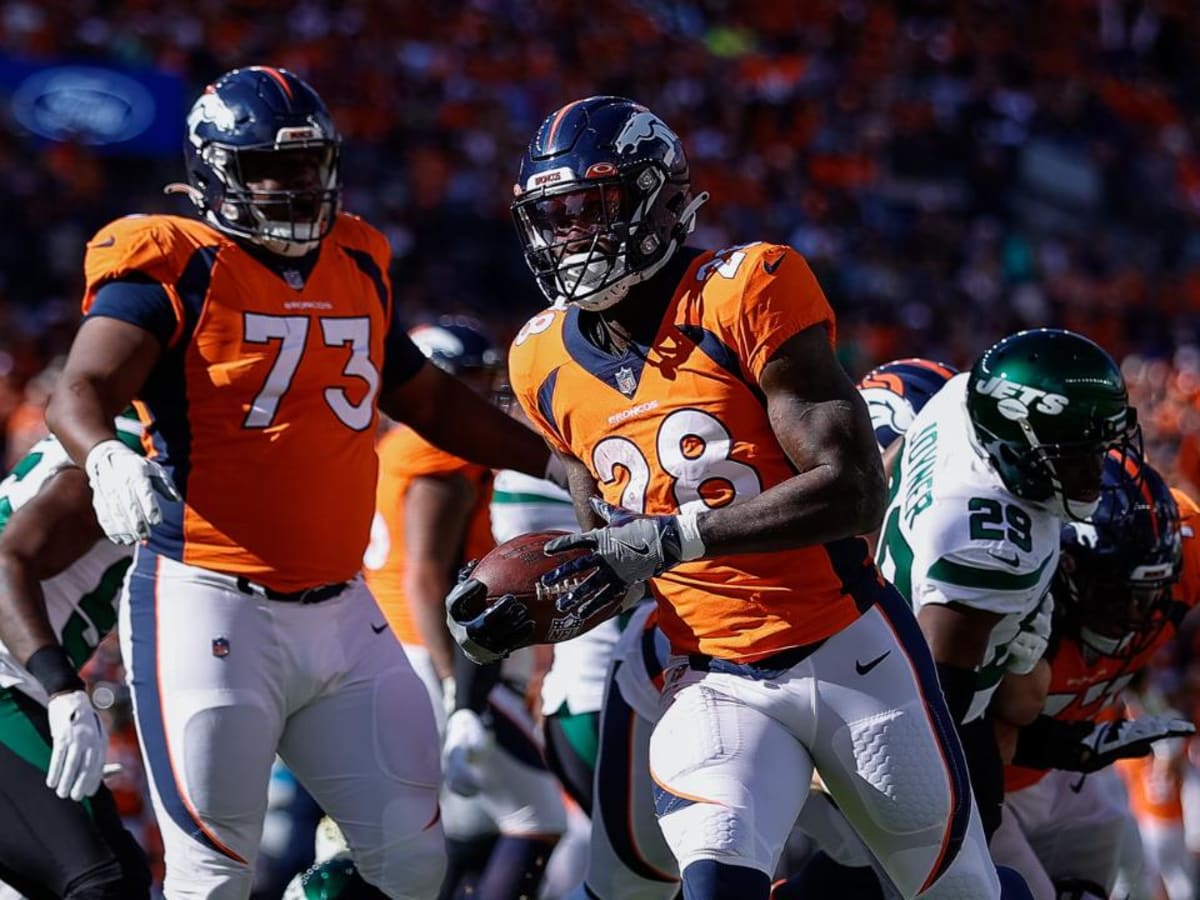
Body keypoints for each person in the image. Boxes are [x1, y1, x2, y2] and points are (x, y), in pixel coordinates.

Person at [448, 95, 1000, 899]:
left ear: (658, 197)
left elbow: (852, 489)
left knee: (959, 894)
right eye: (554, 216)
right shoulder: (538, 359)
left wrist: (674, 539)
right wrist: (526, 606)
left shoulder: (746, 288)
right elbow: (611, 546)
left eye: (590, 208)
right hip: (708, 673)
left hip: (850, 651)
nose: (570, 235)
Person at [43, 66, 551, 899]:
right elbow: (82, 388)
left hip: (345, 610)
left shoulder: (357, 254)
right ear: (214, 170)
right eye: (267, 169)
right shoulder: (173, 263)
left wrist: (555, 459)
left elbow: (427, 399)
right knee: (212, 875)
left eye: (307, 164)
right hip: (209, 600)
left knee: (416, 863)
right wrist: (104, 454)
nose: (292, 186)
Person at [876, 328, 1143, 846]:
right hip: (913, 706)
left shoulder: (960, 400)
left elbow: (880, 480)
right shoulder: (991, 549)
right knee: (965, 861)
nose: (1097, 470)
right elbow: (935, 706)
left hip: (892, 633)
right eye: (1078, 454)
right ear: (1019, 439)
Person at [364, 317, 566, 900]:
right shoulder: (437, 456)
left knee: (453, 828)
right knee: (537, 818)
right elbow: (425, 577)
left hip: (399, 646)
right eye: (469, 381)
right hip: (428, 652)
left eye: (485, 379)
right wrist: (459, 694)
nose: (481, 396)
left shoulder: (395, 444)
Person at [989, 454, 1199, 899]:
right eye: (1117, 595)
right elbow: (959, 735)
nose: (1134, 617)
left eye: (1148, 595)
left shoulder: (1182, 548)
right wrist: (1069, 745)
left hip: (1068, 779)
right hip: (980, 784)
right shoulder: (1007, 599)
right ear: (1067, 570)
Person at [0, 411, 151, 898]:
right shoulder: (126, 454)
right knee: (101, 880)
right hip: (11, 681)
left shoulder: (112, 432)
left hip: (19, 684)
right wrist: (63, 690)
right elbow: (4, 565)